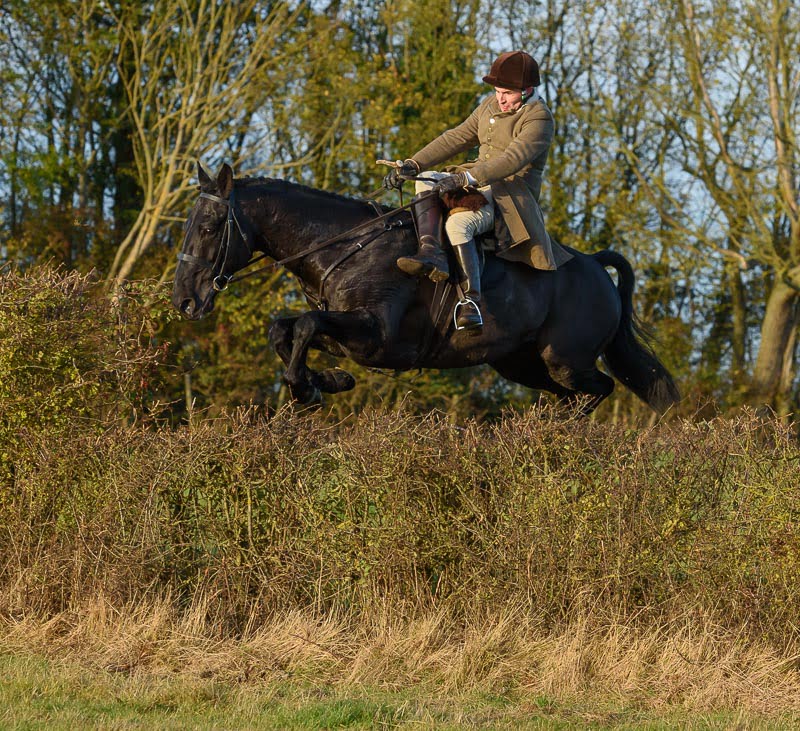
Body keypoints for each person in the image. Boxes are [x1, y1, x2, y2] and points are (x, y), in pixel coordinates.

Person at [384, 50, 572, 331]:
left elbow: (511, 161)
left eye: (507, 93)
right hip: (474, 181)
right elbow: (458, 136)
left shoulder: (539, 119)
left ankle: (469, 301)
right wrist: (413, 162)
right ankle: (431, 252)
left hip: (510, 197)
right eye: (497, 92)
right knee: (425, 178)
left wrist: (465, 179)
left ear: (528, 90)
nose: (501, 99)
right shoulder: (490, 106)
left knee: (460, 224)